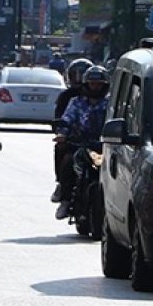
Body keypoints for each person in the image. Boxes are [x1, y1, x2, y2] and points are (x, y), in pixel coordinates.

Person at [53, 65, 110, 219]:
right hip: (79, 144)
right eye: (92, 84)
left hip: (105, 146)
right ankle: (64, 198)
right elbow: (67, 119)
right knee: (66, 160)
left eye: (99, 84)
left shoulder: (111, 104)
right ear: (86, 84)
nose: (96, 87)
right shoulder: (76, 102)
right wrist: (62, 134)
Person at [50, 58, 94, 203]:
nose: (79, 79)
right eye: (75, 75)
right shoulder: (70, 98)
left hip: (98, 142)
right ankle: (62, 187)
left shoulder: (106, 100)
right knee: (63, 152)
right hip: (75, 140)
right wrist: (62, 133)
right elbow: (62, 118)